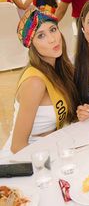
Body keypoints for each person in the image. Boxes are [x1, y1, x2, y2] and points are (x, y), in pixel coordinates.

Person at [3, 8, 78, 154]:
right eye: (41, 35)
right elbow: (17, 147)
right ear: (32, 45)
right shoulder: (35, 82)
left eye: (53, 29)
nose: (52, 39)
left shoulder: (62, 69)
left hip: (50, 147)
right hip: (25, 159)